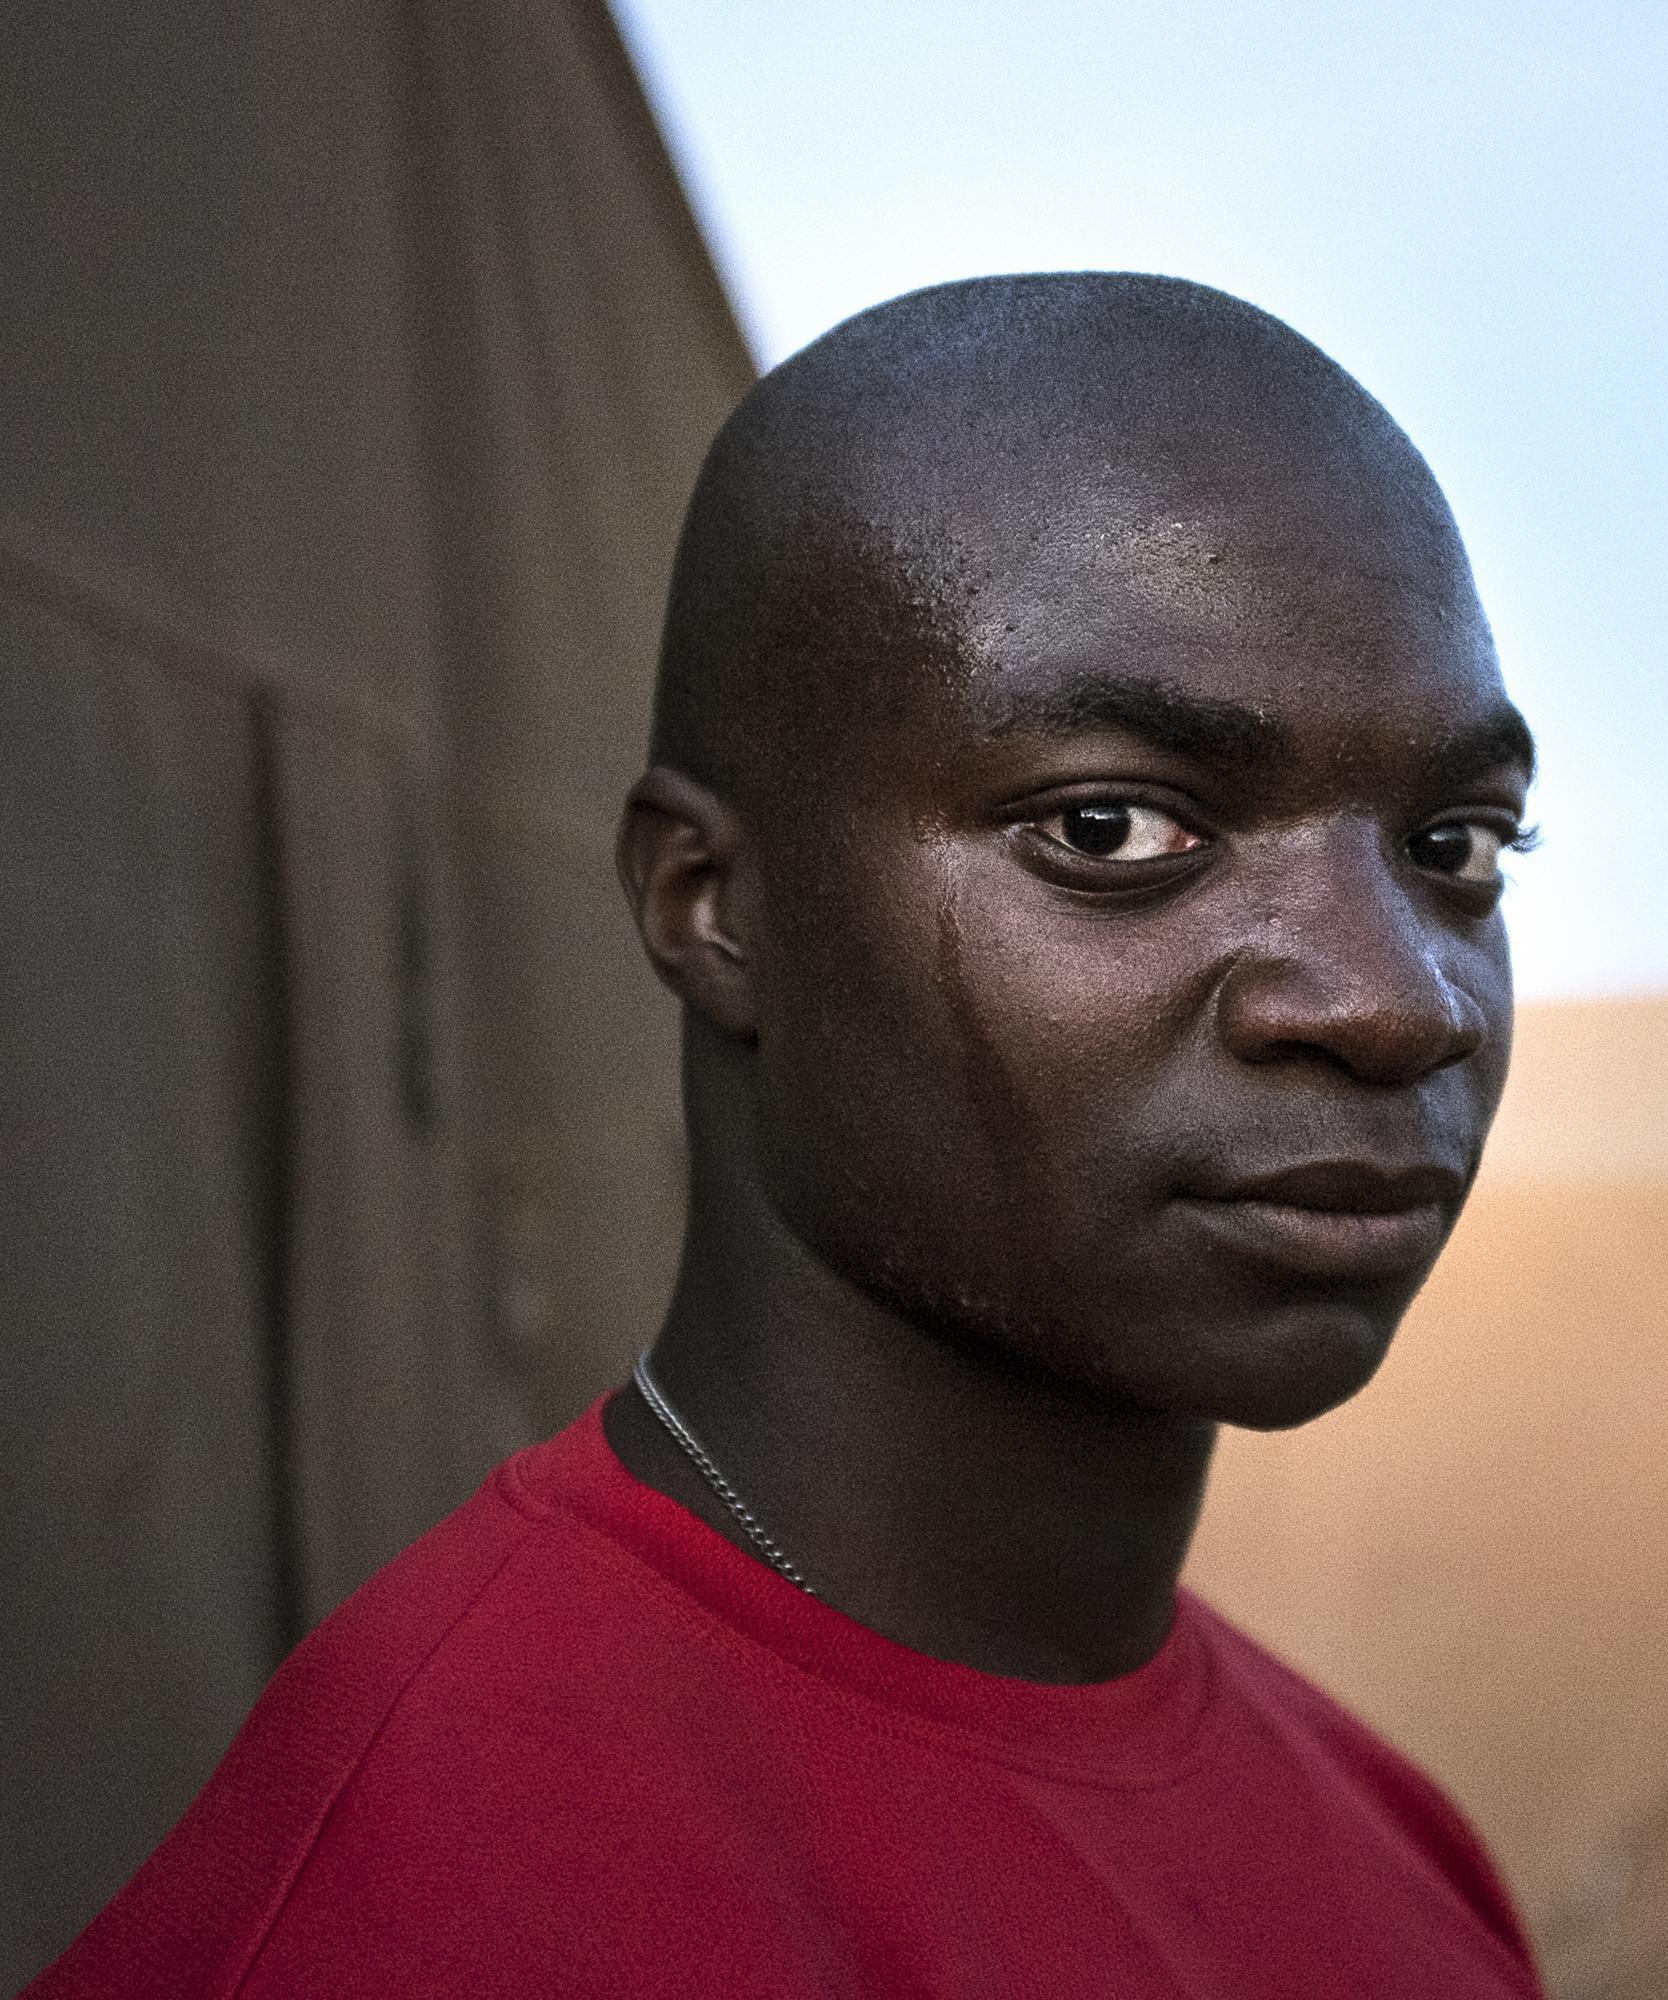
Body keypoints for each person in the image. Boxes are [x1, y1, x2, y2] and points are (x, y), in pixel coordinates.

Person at [28, 273, 1544, 1997]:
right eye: (1114, 826)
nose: (1396, 999)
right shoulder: (410, 1919)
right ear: (711, 905)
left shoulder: (1402, 1847)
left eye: (1456, 850)